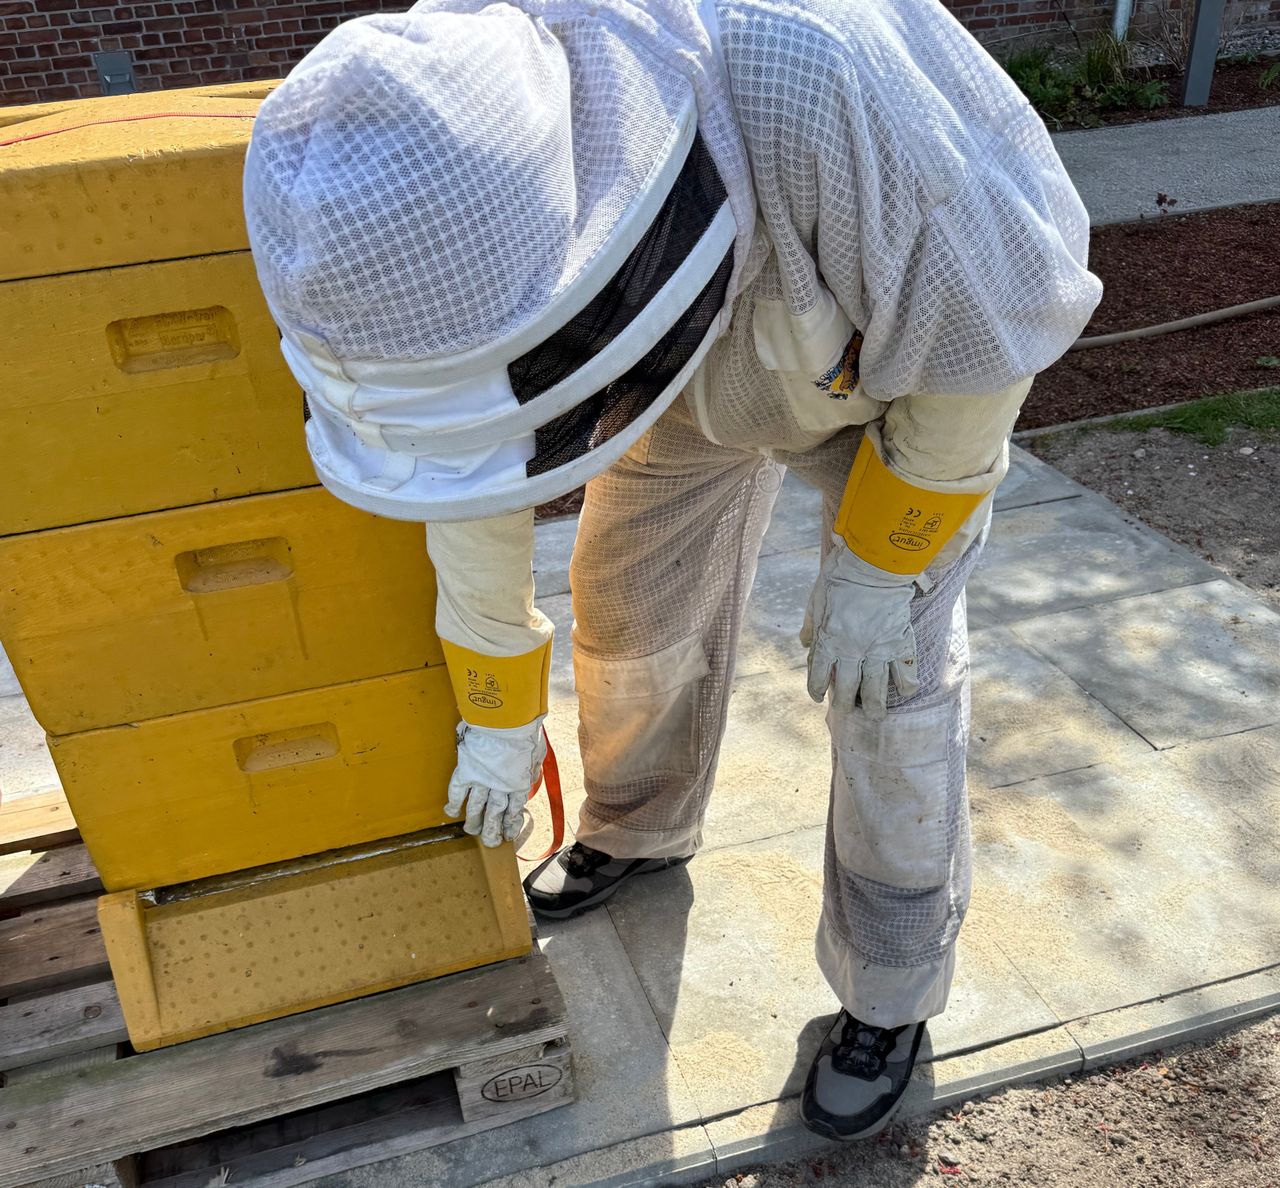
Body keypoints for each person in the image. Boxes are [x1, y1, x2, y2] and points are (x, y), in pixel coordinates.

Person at [244, 0, 1100, 1141]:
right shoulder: (472, 152)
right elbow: (466, 471)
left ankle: (888, 995)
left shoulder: (822, 79)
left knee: (885, 683)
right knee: (628, 599)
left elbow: (977, 341)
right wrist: (494, 712)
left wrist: (875, 567)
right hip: (682, 383)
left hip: (894, 380)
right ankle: (637, 829)